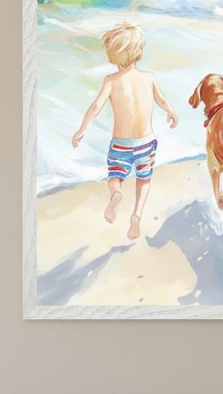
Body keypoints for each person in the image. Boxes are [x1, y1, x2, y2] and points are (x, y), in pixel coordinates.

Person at [72, 23, 178, 240]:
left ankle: (116, 193)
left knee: (114, 176)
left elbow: (95, 107)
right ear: (139, 53)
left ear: (112, 55)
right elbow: (162, 99)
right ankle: (136, 216)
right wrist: (171, 112)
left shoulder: (110, 81)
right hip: (146, 142)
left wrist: (82, 129)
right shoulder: (149, 78)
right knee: (144, 179)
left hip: (121, 143)